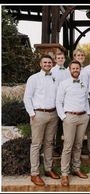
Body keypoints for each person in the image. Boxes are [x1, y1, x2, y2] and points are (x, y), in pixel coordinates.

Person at [23, 55, 60, 186]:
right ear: (40, 64)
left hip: (53, 114)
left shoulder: (55, 78)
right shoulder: (33, 78)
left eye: (49, 62)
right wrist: (32, 114)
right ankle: (34, 173)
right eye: (45, 62)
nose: (47, 64)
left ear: (52, 64)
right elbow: (27, 97)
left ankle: (48, 169)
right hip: (39, 114)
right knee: (36, 144)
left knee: (49, 143)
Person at [56, 60, 90, 187]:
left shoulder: (83, 83)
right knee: (68, 146)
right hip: (69, 117)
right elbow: (58, 102)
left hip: (83, 118)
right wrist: (63, 117)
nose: (76, 70)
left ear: (80, 69)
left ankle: (76, 169)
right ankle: (65, 173)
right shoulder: (64, 84)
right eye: (73, 68)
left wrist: (88, 114)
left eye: (77, 68)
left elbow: (86, 99)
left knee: (78, 145)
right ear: (69, 70)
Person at [51, 52, 71, 156]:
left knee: (65, 125)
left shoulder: (68, 71)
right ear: (55, 59)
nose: (60, 59)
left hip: (67, 102)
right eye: (58, 58)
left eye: (62, 58)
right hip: (56, 101)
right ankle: (56, 147)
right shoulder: (52, 71)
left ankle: (65, 147)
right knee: (56, 125)